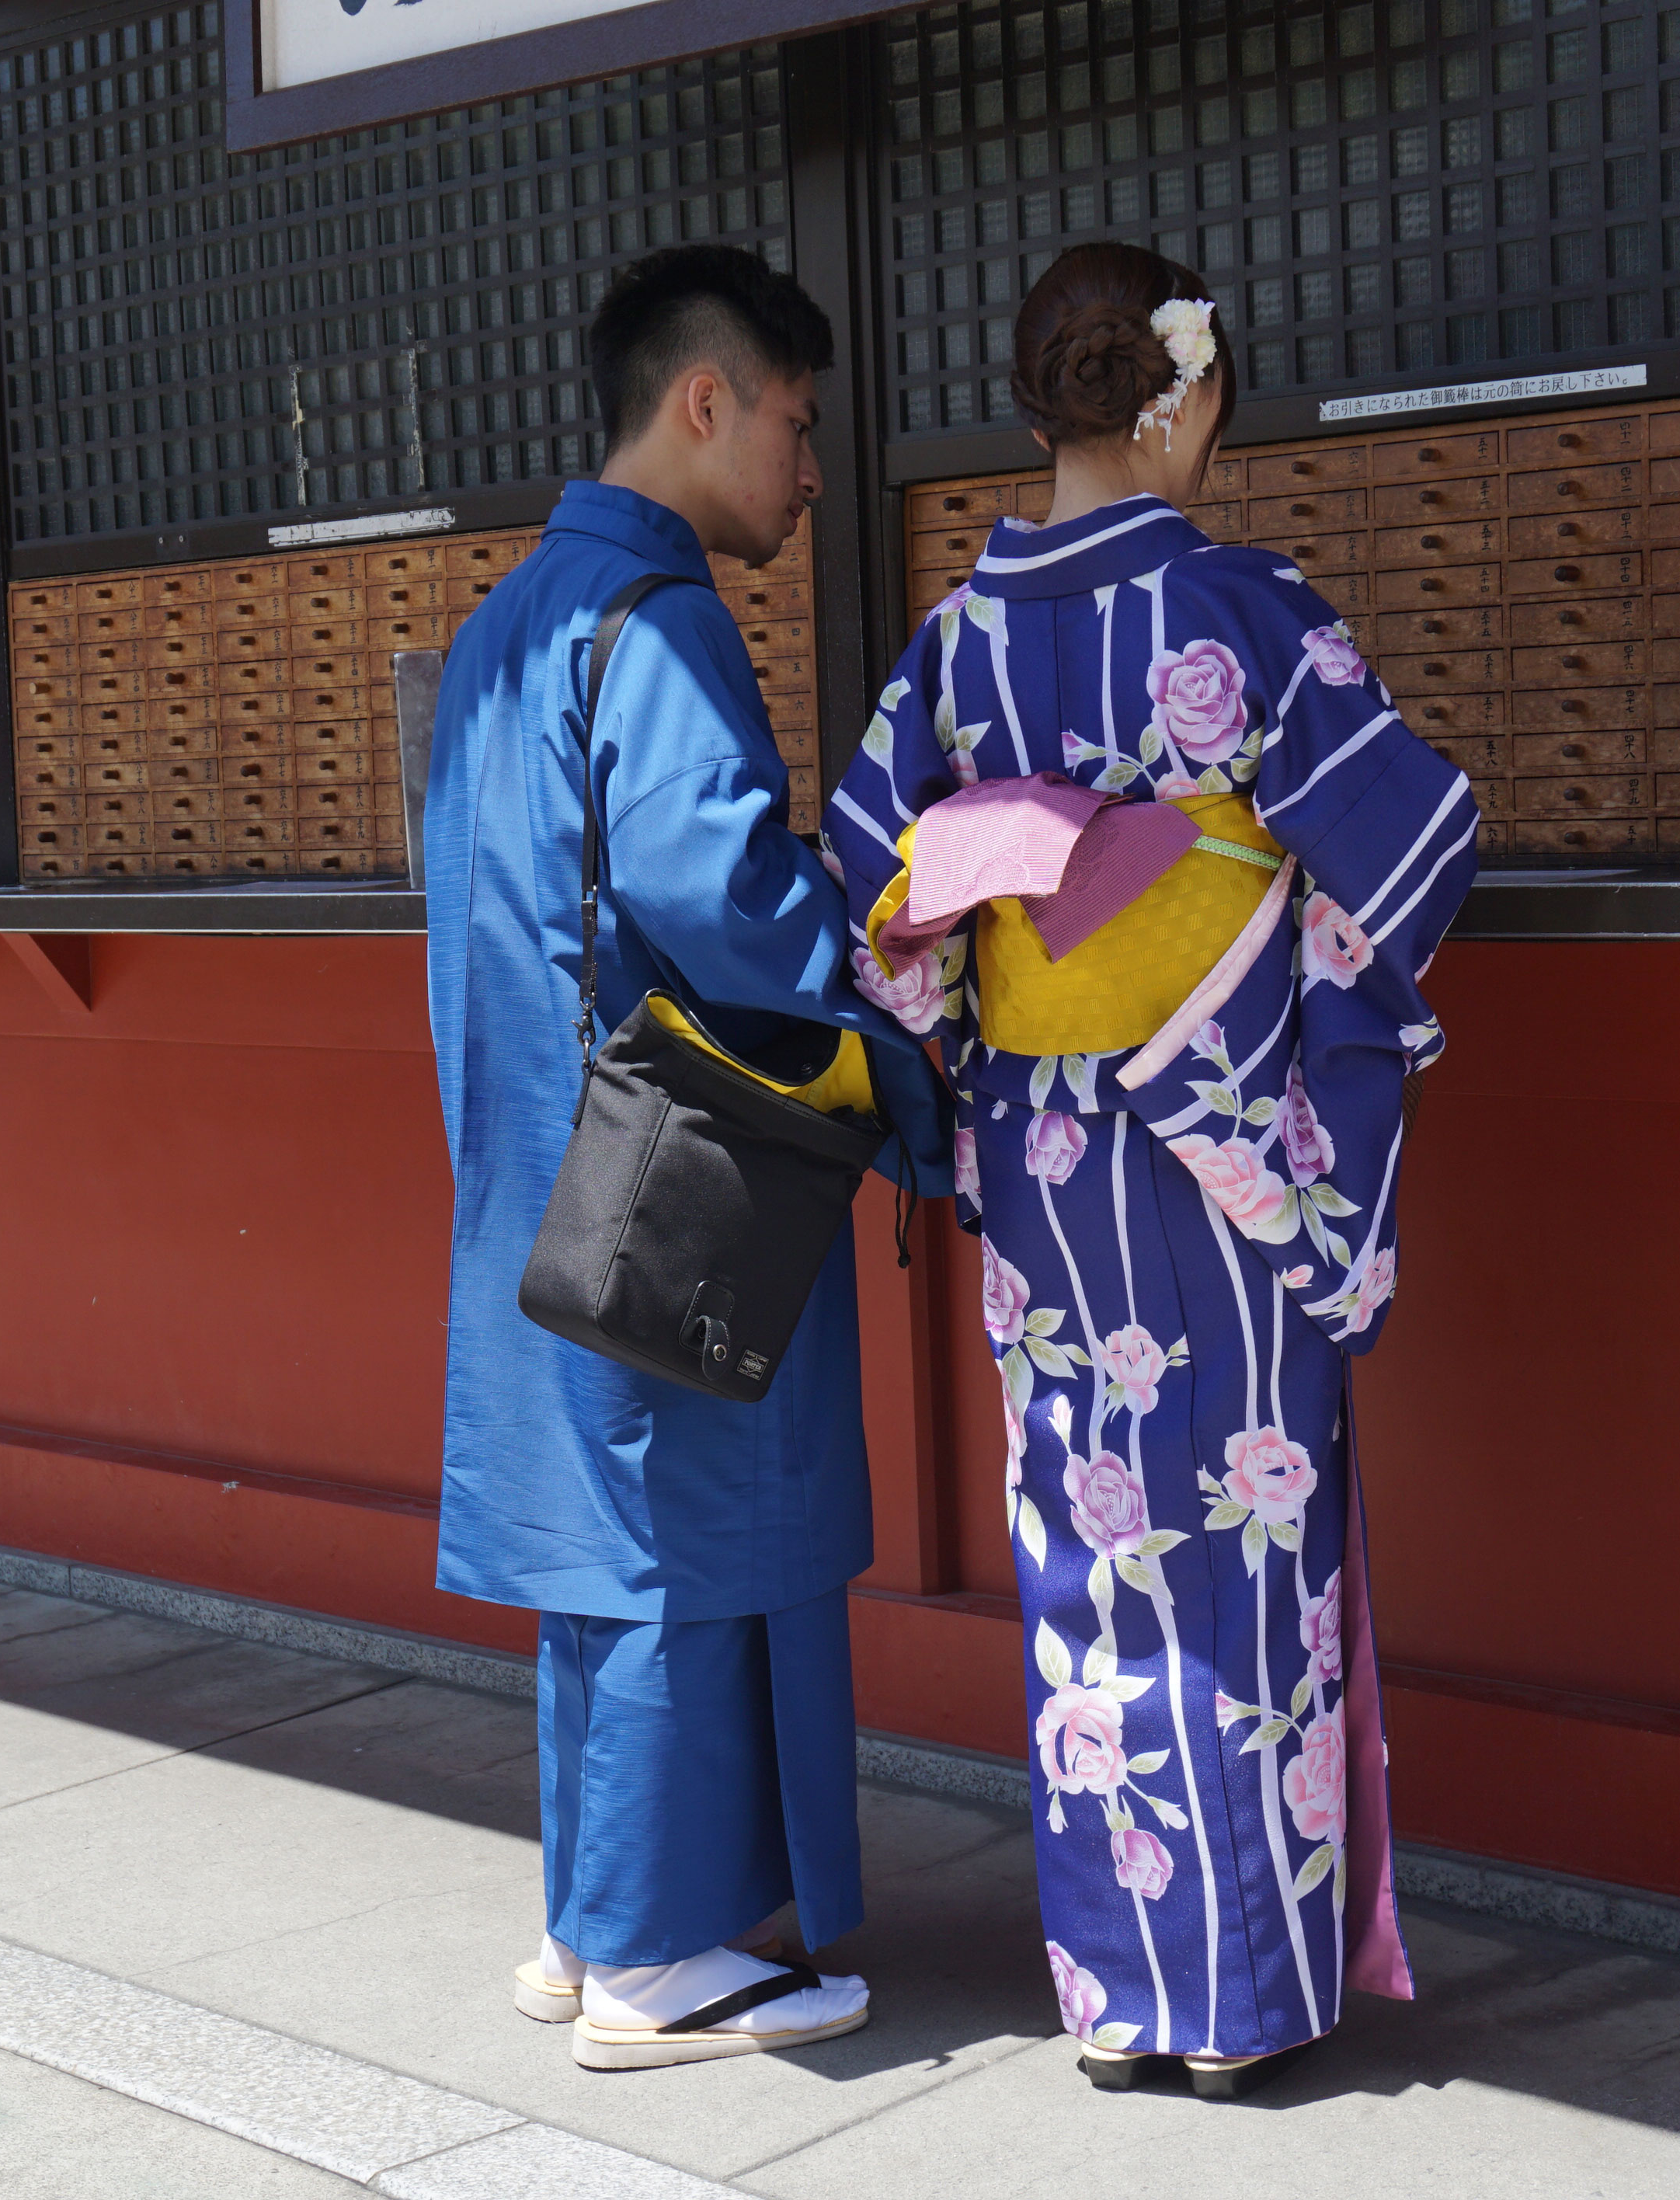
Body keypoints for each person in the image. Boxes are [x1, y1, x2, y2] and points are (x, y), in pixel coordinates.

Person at [827, 243, 1478, 2096]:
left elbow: (872, 902)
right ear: (1183, 398)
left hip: (1043, 1158)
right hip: (1223, 1147)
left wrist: (1010, 953)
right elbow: (1418, 845)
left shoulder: (950, 644)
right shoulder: (1242, 605)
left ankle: (1116, 1997)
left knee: (1086, 1545)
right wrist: (1245, 942)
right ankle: (1237, 2006)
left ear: (1040, 411)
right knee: (1241, 1539)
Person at [425, 243, 955, 2072]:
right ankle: (666, 1956)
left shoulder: (507, 626)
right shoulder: (656, 622)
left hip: (534, 1166)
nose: (814, 473)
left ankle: (589, 1920)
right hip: (677, 1164)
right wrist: (898, 1051)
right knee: (691, 1539)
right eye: (800, 426)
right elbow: (717, 889)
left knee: (604, 1554)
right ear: (706, 398)